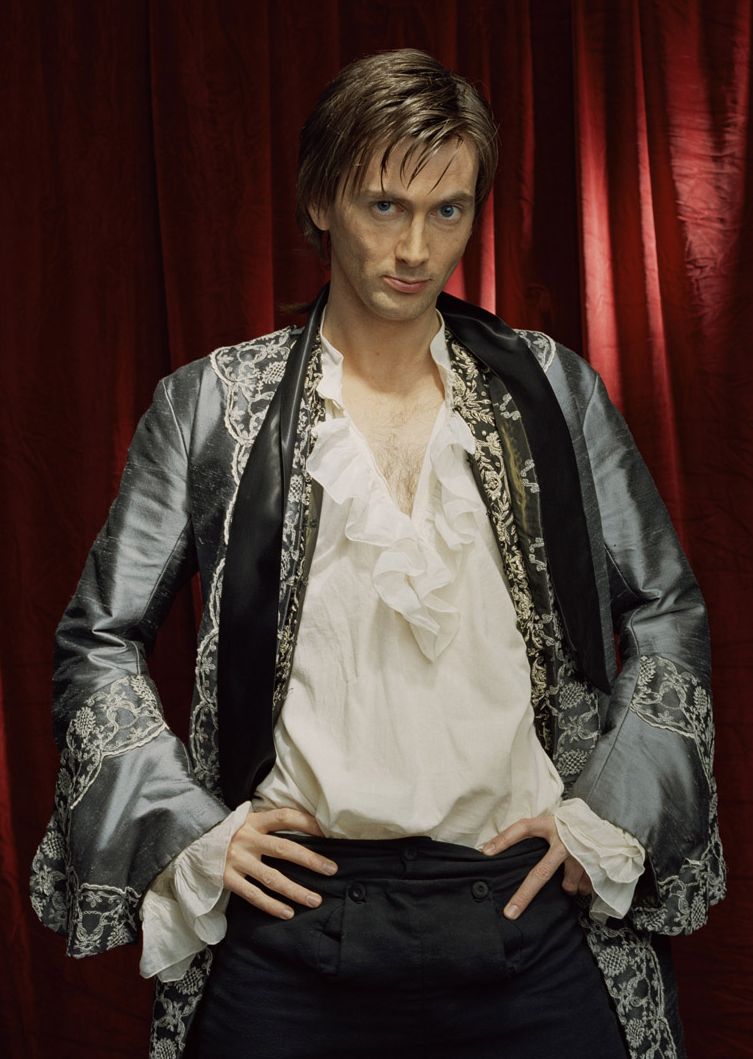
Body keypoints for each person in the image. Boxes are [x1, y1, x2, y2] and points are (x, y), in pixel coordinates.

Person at [31, 49, 724, 1059]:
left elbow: (666, 606)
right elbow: (97, 636)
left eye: (448, 211)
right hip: (293, 925)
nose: (415, 248)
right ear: (321, 201)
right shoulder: (210, 407)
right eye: (384, 206)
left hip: (525, 915)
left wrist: (607, 815)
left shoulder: (552, 390)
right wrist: (184, 828)